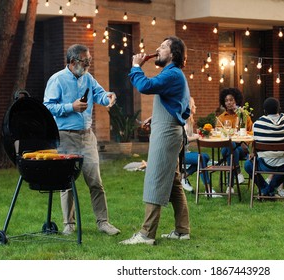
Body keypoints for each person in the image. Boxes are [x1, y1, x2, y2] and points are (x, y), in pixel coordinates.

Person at [120, 36, 191, 245]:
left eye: (163, 47)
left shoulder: (172, 74)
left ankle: (146, 234)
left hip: (167, 135)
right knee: (174, 183)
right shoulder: (172, 74)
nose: (157, 49)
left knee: (155, 179)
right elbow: (181, 106)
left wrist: (135, 66)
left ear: (174, 53)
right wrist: (157, 117)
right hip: (169, 130)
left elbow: (145, 86)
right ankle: (182, 230)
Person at [43, 44, 120, 236]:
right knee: (66, 183)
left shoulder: (88, 78)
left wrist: (108, 97)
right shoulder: (57, 80)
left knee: (95, 181)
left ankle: (103, 222)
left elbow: (100, 95)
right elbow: (47, 107)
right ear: (72, 62)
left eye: (89, 61)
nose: (88, 65)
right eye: (85, 61)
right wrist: (71, 107)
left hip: (87, 137)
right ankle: (69, 224)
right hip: (65, 136)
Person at [244, 97, 284, 197]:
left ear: (264, 111)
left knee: (248, 165)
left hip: (265, 164)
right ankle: (269, 190)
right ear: (279, 108)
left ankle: (265, 190)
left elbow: (255, 147)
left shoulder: (258, 124)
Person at [182, 97, 219, 195]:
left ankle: (183, 175)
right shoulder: (183, 121)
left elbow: (189, 135)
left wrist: (202, 134)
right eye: (193, 105)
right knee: (202, 158)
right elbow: (184, 139)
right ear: (189, 107)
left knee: (205, 157)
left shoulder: (189, 120)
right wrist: (198, 136)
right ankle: (208, 189)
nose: (196, 106)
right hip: (179, 154)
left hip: (185, 152)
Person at [217, 87, 253, 186]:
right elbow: (219, 134)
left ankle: (230, 186)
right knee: (231, 148)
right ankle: (238, 172)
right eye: (226, 100)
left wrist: (243, 138)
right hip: (227, 147)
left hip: (241, 149)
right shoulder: (221, 118)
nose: (229, 102)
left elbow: (251, 132)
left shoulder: (243, 115)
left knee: (231, 151)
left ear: (236, 100)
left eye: (231, 100)